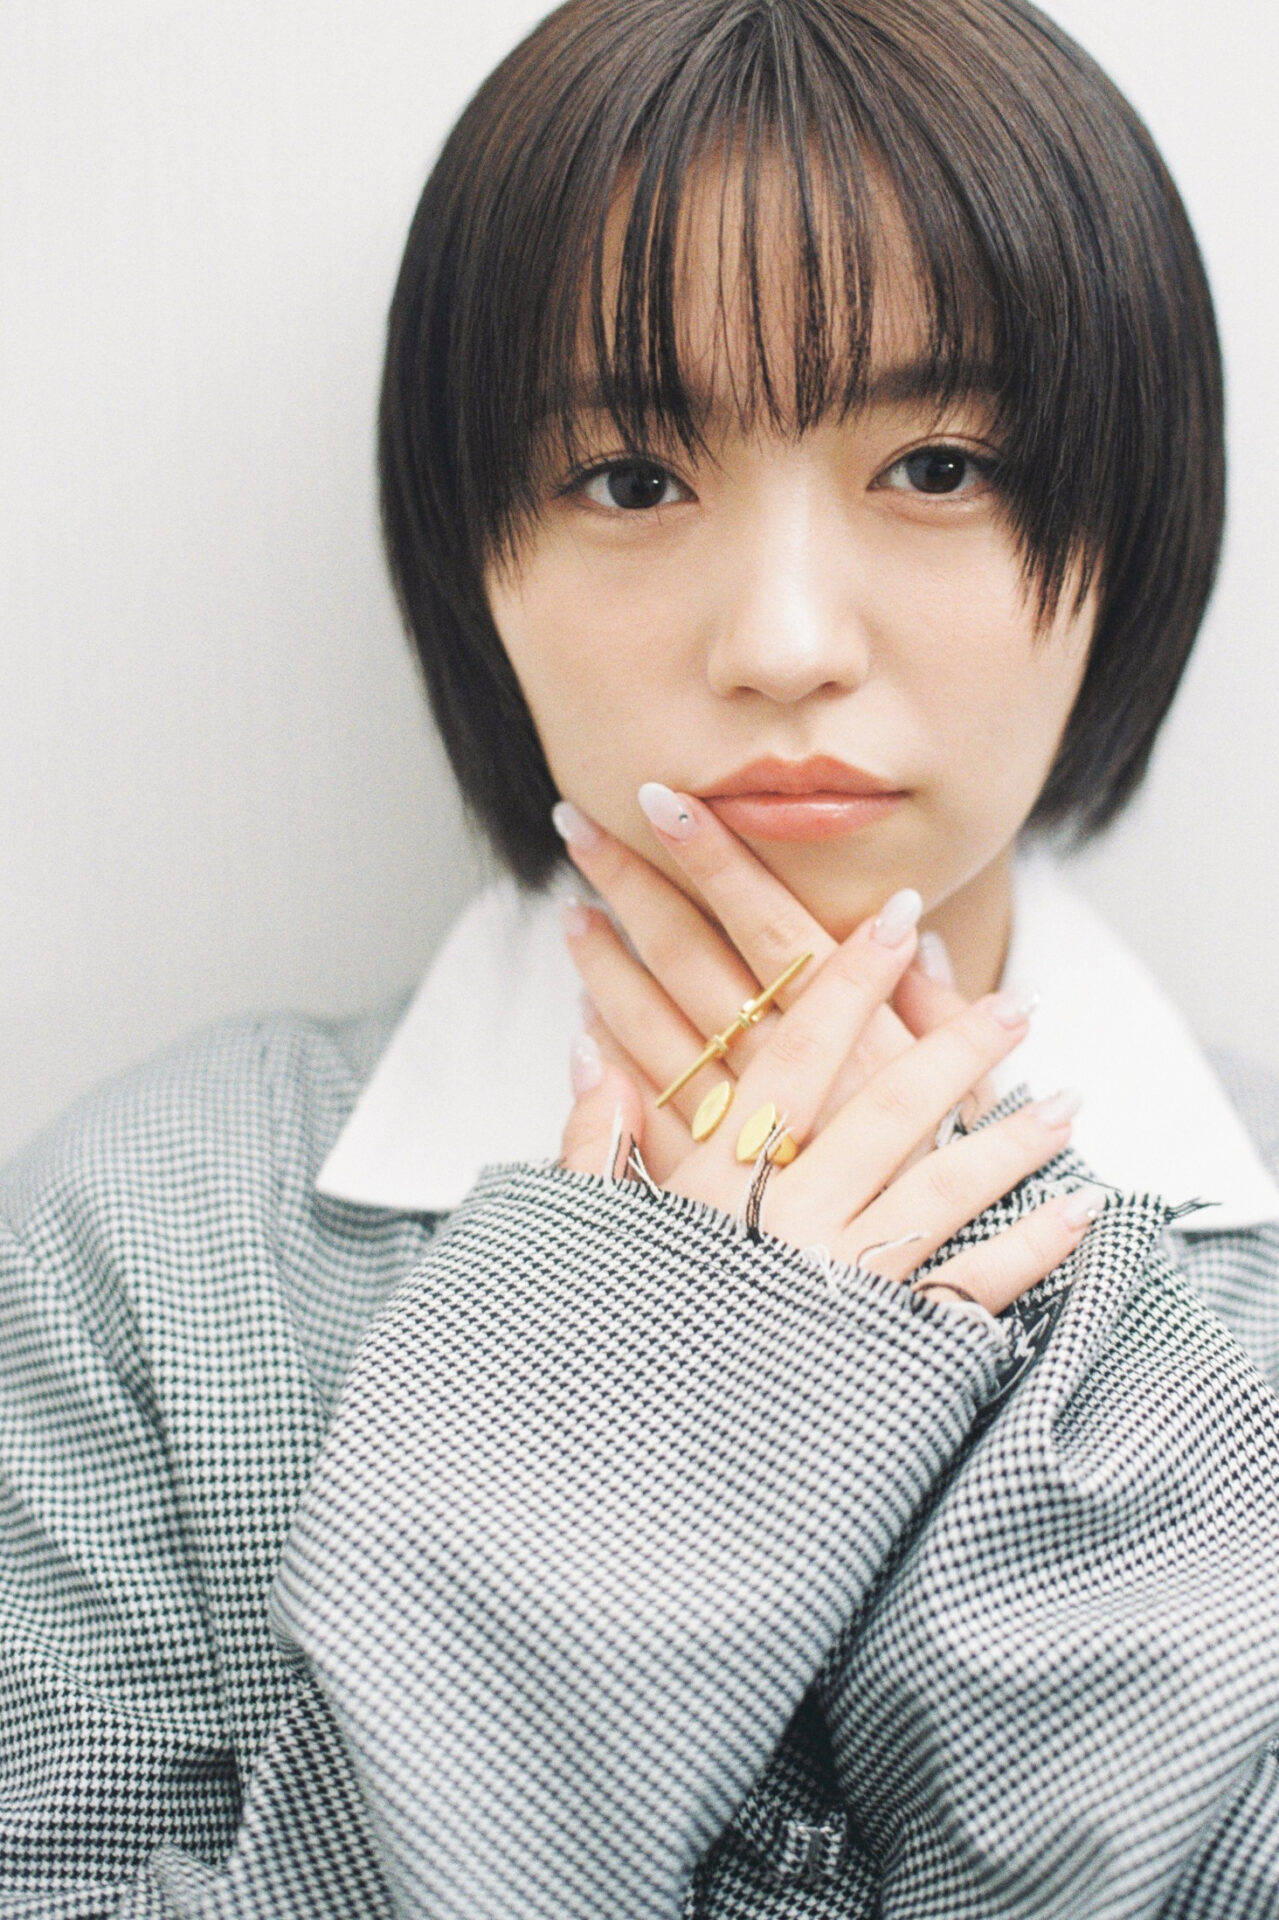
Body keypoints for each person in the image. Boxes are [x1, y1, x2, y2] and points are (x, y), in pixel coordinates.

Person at [6, 0, 1279, 1915]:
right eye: (628, 477)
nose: (782, 644)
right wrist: (659, 1433)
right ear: (471, 550)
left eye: (942, 464)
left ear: (1135, 515)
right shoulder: (147, 1244)